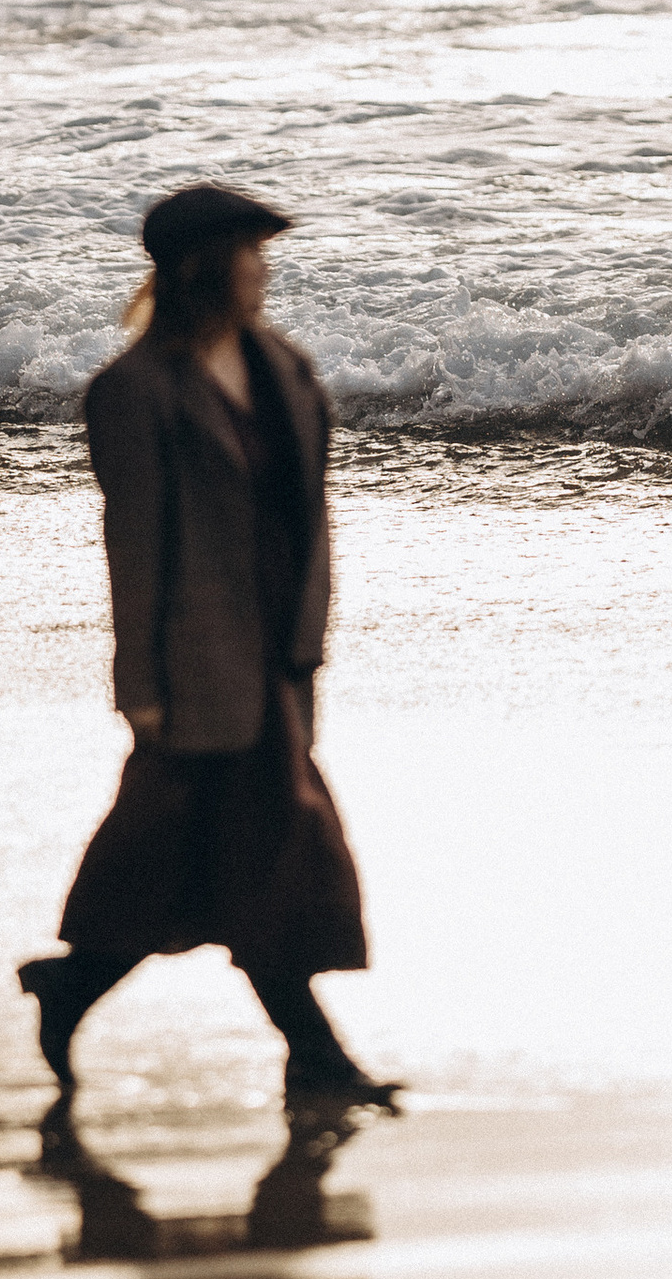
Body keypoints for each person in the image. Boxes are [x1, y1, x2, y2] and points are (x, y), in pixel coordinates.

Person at [20, 184, 398, 1115]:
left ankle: (72, 986)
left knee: (190, 859)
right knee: (265, 854)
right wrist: (140, 684)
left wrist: (309, 641)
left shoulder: (284, 370)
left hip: (278, 657)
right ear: (204, 267)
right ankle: (317, 1062)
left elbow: (308, 519)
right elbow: (135, 549)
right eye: (250, 251)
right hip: (196, 668)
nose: (265, 267)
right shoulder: (134, 393)